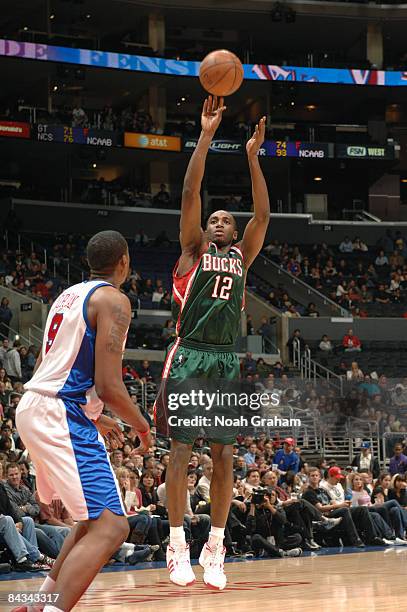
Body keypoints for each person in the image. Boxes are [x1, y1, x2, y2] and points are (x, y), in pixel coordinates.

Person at [154, 97, 269, 590]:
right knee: (181, 452)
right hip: (191, 353)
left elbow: (263, 213)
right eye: (214, 218)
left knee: (224, 457)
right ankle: (177, 542)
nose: (219, 220)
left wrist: (252, 156)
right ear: (204, 229)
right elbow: (189, 189)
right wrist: (205, 135)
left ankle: (215, 547)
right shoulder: (191, 251)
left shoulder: (243, 255)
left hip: (226, 360)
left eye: (226, 219)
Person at [12, 231, 152, 612]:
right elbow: (109, 384)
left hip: (36, 405)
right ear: (123, 261)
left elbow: (49, 366)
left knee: (91, 524)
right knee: (113, 527)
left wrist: (97, 415)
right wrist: (141, 425)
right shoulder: (114, 300)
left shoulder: (67, 295)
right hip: (61, 414)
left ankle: (37, 605)